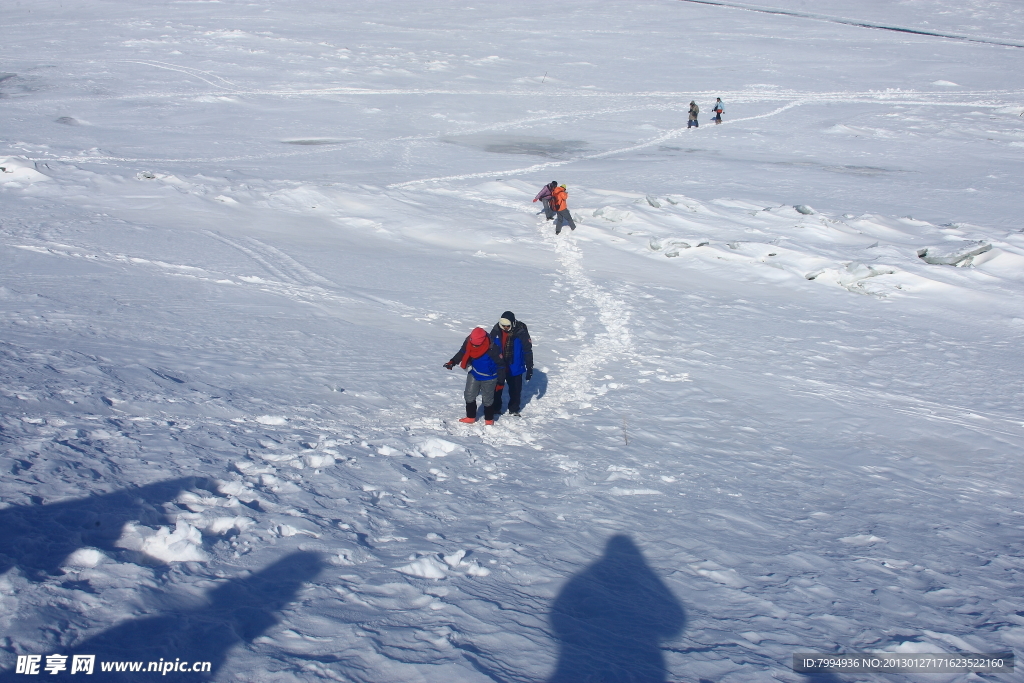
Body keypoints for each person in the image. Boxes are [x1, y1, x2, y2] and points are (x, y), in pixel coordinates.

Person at [444, 327, 505, 425]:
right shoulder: (469, 340)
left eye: (477, 345)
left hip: (489, 377)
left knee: (487, 400)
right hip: (475, 373)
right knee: (469, 395)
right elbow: (462, 352)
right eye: (473, 345)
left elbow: (501, 366)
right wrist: (453, 362)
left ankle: (489, 420)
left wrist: (500, 382)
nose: (474, 347)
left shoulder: (492, 347)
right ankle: (471, 417)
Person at [489, 311, 534, 417]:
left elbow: (527, 351)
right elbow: (489, 347)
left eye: (507, 326)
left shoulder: (521, 332)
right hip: (499, 366)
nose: (505, 327)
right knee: (497, 389)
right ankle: (496, 408)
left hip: (515, 366)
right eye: (503, 325)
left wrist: (530, 367)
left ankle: (514, 409)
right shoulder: (496, 330)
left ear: (513, 323)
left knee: (515, 390)